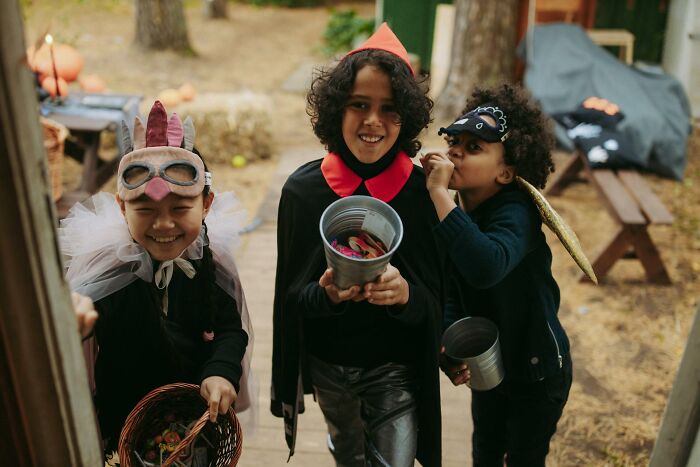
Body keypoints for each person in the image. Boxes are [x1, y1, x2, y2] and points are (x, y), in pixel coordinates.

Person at [271, 23, 444, 467]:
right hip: (329, 366)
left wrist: (406, 295)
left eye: (390, 109)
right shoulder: (303, 192)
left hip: (395, 368)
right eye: (358, 105)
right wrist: (326, 294)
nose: (373, 121)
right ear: (335, 111)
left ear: (407, 116)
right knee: (348, 450)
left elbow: (438, 299)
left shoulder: (424, 195)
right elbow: (291, 299)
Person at [59, 101, 255, 455]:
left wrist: (222, 371)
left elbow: (229, 329)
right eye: (145, 210)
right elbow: (79, 334)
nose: (164, 225)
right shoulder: (107, 271)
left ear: (206, 203)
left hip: (193, 424)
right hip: (120, 431)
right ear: (122, 207)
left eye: (180, 209)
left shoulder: (210, 261)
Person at [420, 84, 573, 466]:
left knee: (523, 458)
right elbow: (454, 285)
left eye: (475, 148)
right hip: (493, 369)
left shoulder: (515, 212)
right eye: (455, 141)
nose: (455, 151)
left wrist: (439, 195)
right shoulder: (458, 214)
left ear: (506, 172)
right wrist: (449, 340)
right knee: (485, 453)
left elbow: (486, 266)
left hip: (538, 372)